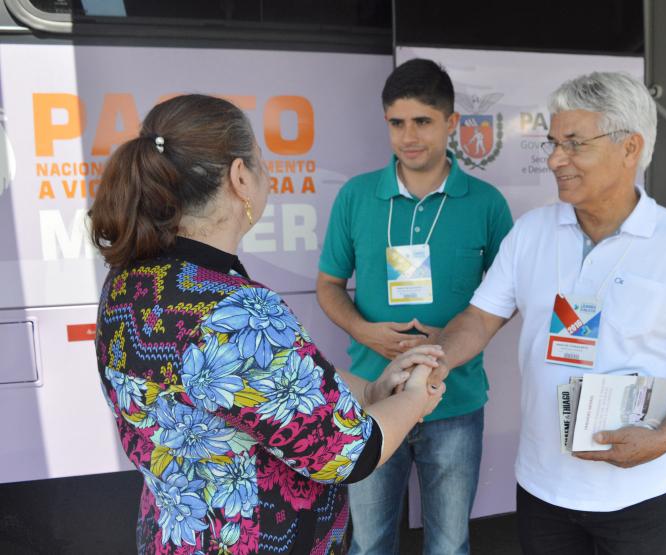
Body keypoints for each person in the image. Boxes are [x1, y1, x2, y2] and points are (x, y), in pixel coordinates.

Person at [89, 94, 445, 555]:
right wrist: (416, 397)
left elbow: (271, 396)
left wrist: (374, 392)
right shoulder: (236, 312)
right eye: (259, 157)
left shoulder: (131, 283)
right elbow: (351, 453)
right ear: (240, 177)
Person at [430, 72, 666, 554]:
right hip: (542, 487)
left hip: (638, 490)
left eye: (574, 143)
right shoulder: (532, 232)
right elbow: (480, 318)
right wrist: (434, 361)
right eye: (553, 142)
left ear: (629, 148)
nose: (555, 159)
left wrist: (665, 437)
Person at [316, 59, 513, 555]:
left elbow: (508, 297)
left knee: (448, 545)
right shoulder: (357, 197)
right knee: (369, 544)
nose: (408, 136)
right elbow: (329, 286)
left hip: (455, 401)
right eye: (396, 123)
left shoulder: (486, 203)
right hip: (373, 398)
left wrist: (452, 343)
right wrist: (367, 333)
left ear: (451, 124)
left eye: (422, 121)